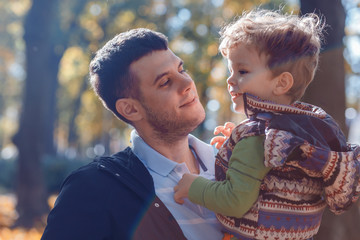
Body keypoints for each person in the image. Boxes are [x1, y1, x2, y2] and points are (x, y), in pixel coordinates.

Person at [174, 9, 360, 240]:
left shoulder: (256, 137)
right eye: (231, 70)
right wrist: (235, 147)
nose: (230, 80)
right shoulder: (310, 126)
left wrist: (193, 186)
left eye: (242, 71)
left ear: (281, 83)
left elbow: (234, 202)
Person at [41, 28, 223, 240]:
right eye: (165, 82)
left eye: (181, 70)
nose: (188, 83)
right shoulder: (93, 190)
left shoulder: (238, 163)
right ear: (130, 109)